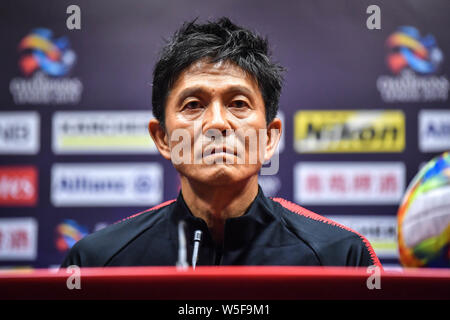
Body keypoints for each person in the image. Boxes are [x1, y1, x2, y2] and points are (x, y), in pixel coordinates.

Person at [61, 17, 381, 268]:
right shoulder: (97, 262)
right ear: (163, 138)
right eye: (193, 105)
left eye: (238, 103)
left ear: (269, 137)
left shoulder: (342, 257)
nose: (217, 123)